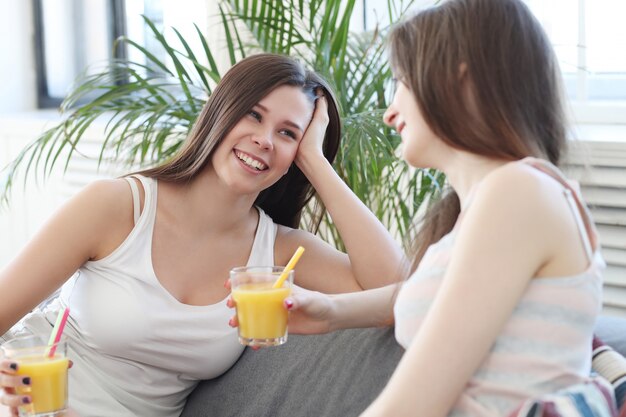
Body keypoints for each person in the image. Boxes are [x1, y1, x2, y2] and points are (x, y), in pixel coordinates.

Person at [0, 53, 404, 417]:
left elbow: (396, 289)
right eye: (253, 115)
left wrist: (316, 162)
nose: (264, 140)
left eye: (288, 133)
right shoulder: (117, 206)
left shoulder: (279, 250)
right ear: (221, 114)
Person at [276, 1, 617, 416]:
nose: (389, 113)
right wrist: (330, 311)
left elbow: (412, 406)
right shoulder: (500, 200)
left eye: (401, 81)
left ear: (460, 77)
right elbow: (440, 293)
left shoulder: (518, 193)